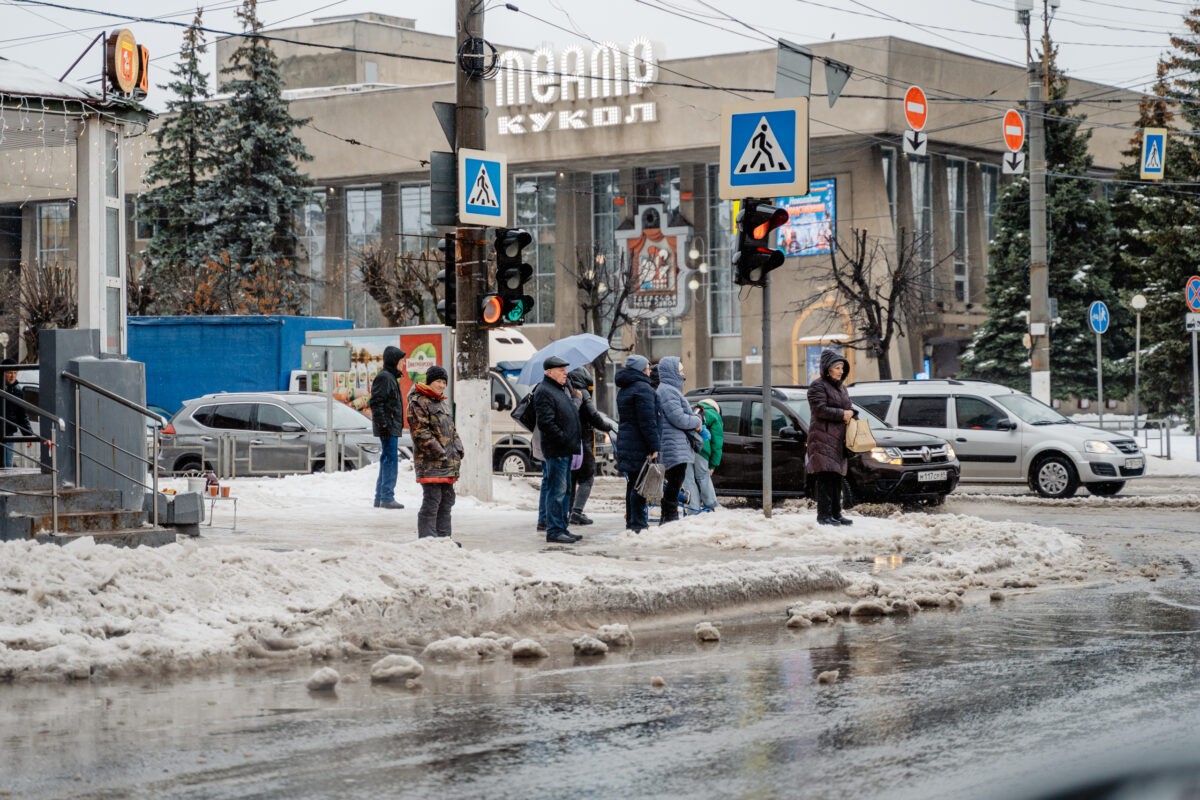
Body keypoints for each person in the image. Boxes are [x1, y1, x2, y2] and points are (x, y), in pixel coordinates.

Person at [406, 365, 463, 543]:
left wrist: (458, 447)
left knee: (447, 500)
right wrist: (439, 452)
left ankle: (444, 538)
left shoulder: (441, 402)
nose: (442, 385)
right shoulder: (418, 402)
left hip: (447, 463)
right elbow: (420, 432)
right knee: (432, 500)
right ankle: (428, 540)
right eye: (438, 381)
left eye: (444, 382)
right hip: (431, 462)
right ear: (430, 381)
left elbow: (451, 430)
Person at [534, 355, 582, 544]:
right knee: (557, 491)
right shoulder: (544, 391)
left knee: (566, 490)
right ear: (549, 372)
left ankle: (562, 527)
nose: (565, 373)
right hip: (557, 449)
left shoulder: (559, 390)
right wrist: (563, 438)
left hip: (566, 449)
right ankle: (554, 530)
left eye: (565, 370)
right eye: (561, 370)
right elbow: (546, 423)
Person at [806, 350, 856, 526]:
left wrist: (852, 414)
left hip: (838, 440)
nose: (840, 371)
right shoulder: (817, 386)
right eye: (837, 367)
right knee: (825, 478)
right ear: (828, 369)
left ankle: (836, 513)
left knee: (836, 478)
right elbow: (819, 409)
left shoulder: (841, 387)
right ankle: (824, 515)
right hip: (822, 438)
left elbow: (848, 407)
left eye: (842, 367)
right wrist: (843, 414)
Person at [654, 356, 702, 525]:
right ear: (671, 372)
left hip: (675, 444)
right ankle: (670, 520)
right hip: (673, 446)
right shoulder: (667, 391)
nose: (683, 375)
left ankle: (667, 518)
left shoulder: (668, 390)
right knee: (674, 484)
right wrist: (697, 420)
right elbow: (678, 418)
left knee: (674, 483)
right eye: (680, 371)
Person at [615, 354, 660, 533]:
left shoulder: (626, 388)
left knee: (633, 483)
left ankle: (632, 522)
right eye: (648, 368)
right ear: (642, 370)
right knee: (641, 485)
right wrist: (654, 446)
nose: (650, 371)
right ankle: (638, 524)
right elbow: (647, 421)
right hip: (639, 443)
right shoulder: (643, 389)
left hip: (628, 440)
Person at [567, 367, 615, 526]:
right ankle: (577, 512)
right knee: (587, 477)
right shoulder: (582, 393)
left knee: (572, 479)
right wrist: (607, 426)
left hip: (570, 441)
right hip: (583, 442)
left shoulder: (566, 390)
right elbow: (593, 415)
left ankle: (569, 511)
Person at [368, 345, 406, 509]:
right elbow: (376, 403)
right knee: (391, 461)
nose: (403, 364)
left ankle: (381, 497)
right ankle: (387, 497)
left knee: (387, 460)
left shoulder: (390, 377)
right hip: (388, 427)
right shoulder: (385, 378)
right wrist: (383, 424)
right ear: (394, 361)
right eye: (401, 360)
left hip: (390, 426)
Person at [681, 398, 723, 513]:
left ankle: (692, 509)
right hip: (701, 450)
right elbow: (717, 443)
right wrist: (713, 465)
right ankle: (711, 505)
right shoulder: (714, 415)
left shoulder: (691, 409)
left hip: (684, 448)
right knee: (703, 477)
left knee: (688, 479)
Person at [2, 358, 33, 469]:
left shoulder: (17, 390)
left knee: (8, 465)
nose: (12, 376)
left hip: (9, 432)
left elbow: (22, 414)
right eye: (9, 372)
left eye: (15, 373)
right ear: (3, 372)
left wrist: (28, 434)